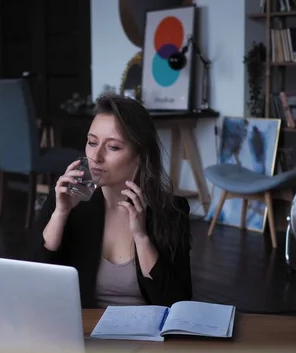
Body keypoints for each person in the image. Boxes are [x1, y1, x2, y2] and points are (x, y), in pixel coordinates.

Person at [29, 94, 192, 308]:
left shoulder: (170, 211)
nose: (96, 156)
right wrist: (60, 214)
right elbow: (33, 286)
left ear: (140, 155)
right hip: (85, 333)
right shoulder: (67, 201)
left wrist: (141, 237)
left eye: (113, 147)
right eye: (92, 142)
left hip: (145, 335)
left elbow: (177, 302)